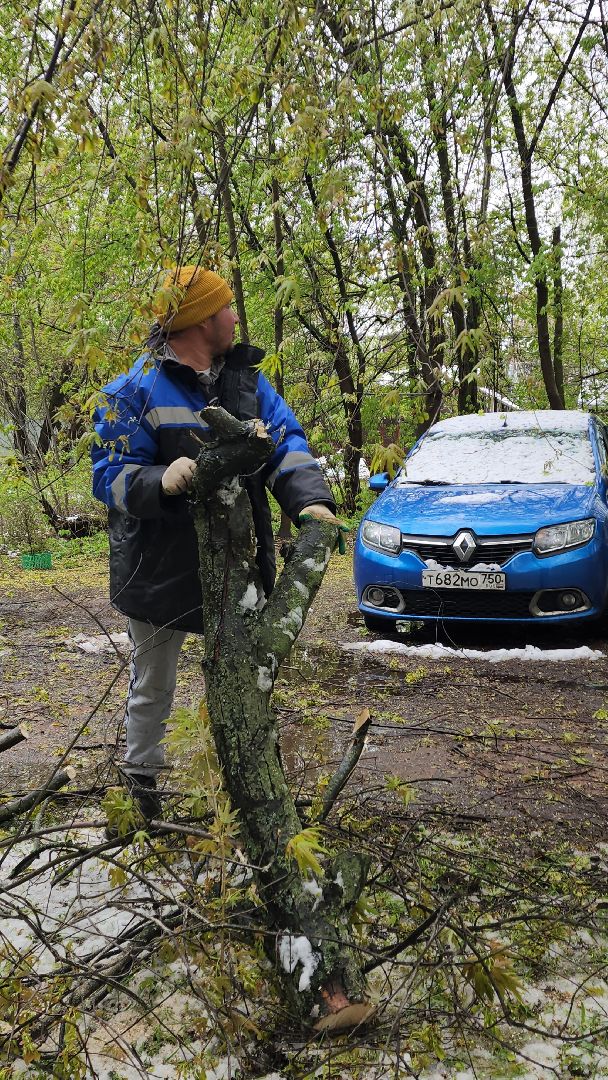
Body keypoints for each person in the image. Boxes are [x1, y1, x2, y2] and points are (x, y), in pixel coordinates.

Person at [92, 265, 338, 824]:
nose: (234, 317)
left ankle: (248, 794)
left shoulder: (248, 384)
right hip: (158, 572)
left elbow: (286, 444)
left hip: (236, 567)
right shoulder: (134, 391)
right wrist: (163, 479)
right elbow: (109, 477)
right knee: (153, 684)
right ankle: (143, 792)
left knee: (244, 684)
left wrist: (309, 501)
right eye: (225, 307)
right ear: (201, 320)